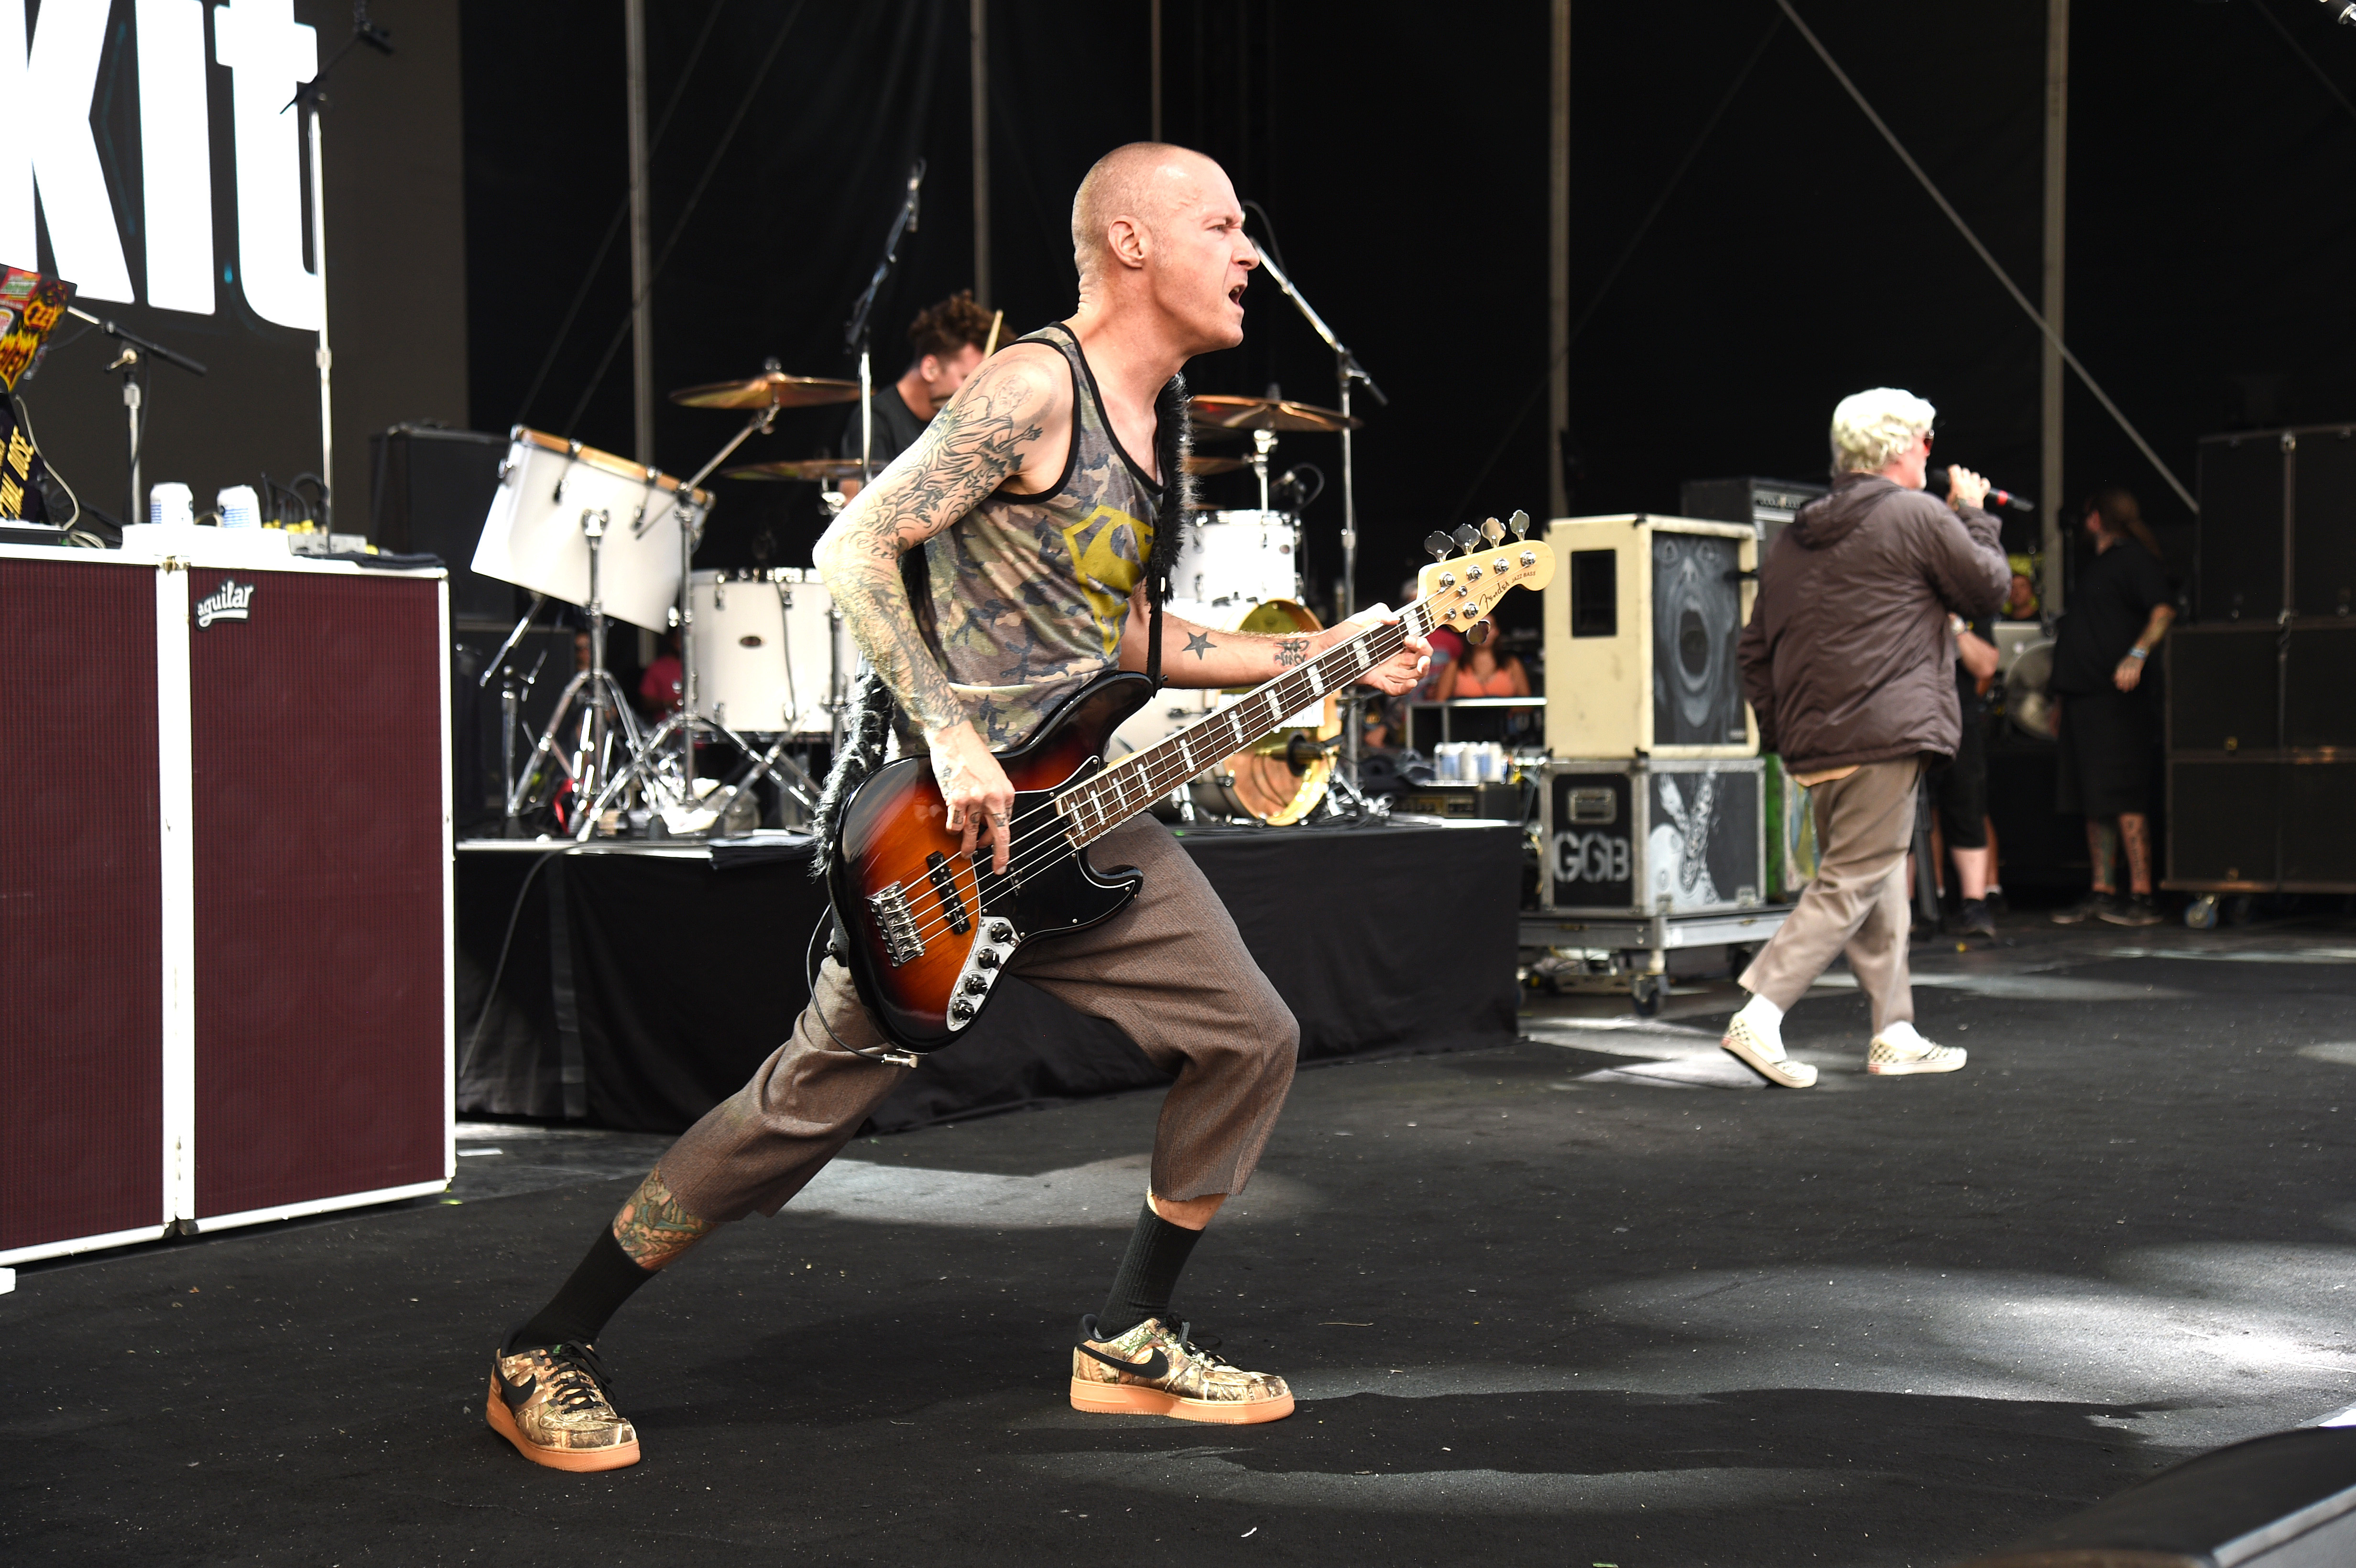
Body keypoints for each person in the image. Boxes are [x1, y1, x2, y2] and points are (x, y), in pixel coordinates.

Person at [484, 142, 1431, 1471]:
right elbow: (852, 543)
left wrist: (1322, 654)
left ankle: (1131, 1339)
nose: (1251, 255)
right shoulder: (1035, 386)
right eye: (1222, 227)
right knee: (797, 1115)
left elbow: (1123, 630)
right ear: (1133, 243)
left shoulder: (1152, 422)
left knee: (1249, 1036)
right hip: (952, 836)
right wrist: (950, 734)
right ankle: (547, 1347)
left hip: (1083, 816)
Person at [1721, 388, 2008, 1089]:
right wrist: (1971, 513)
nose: (1931, 454)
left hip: (1817, 741)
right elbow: (1988, 590)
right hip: (1885, 733)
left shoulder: (1794, 535)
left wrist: (1785, 726)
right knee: (1853, 878)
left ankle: (1896, 1031)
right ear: (1900, 449)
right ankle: (1760, 1014)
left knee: (1877, 876)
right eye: (1928, 442)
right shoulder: (1915, 514)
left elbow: (1752, 649)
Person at [2048, 487, 2173, 927]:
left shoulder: (2135, 560)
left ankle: (2142, 893)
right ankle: (2103, 889)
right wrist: (2061, 698)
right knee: (2091, 798)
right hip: (2082, 697)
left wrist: (2136, 656)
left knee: (2124, 794)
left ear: (2097, 518)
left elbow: (2162, 611)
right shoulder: (2098, 567)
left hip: (2117, 700)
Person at [836, 291, 997, 499]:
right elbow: (852, 501)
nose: (975, 390)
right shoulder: (875, 419)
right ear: (930, 369)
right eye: (967, 378)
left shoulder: (954, 422)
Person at [1933, 612, 2001, 937]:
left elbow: (1986, 667)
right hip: (1906, 718)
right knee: (1908, 812)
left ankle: (1975, 902)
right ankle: (1919, 902)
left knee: (1968, 806)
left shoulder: (1970, 606)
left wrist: (1956, 626)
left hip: (1959, 720)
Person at [1432, 634, 1530, 700]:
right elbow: (1440, 703)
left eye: (1489, 626)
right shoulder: (1455, 665)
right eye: (1478, 626)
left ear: (1497, 632)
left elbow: (1527, 704)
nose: (1484, 631)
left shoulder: (1512, 664)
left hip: (1505, 728)